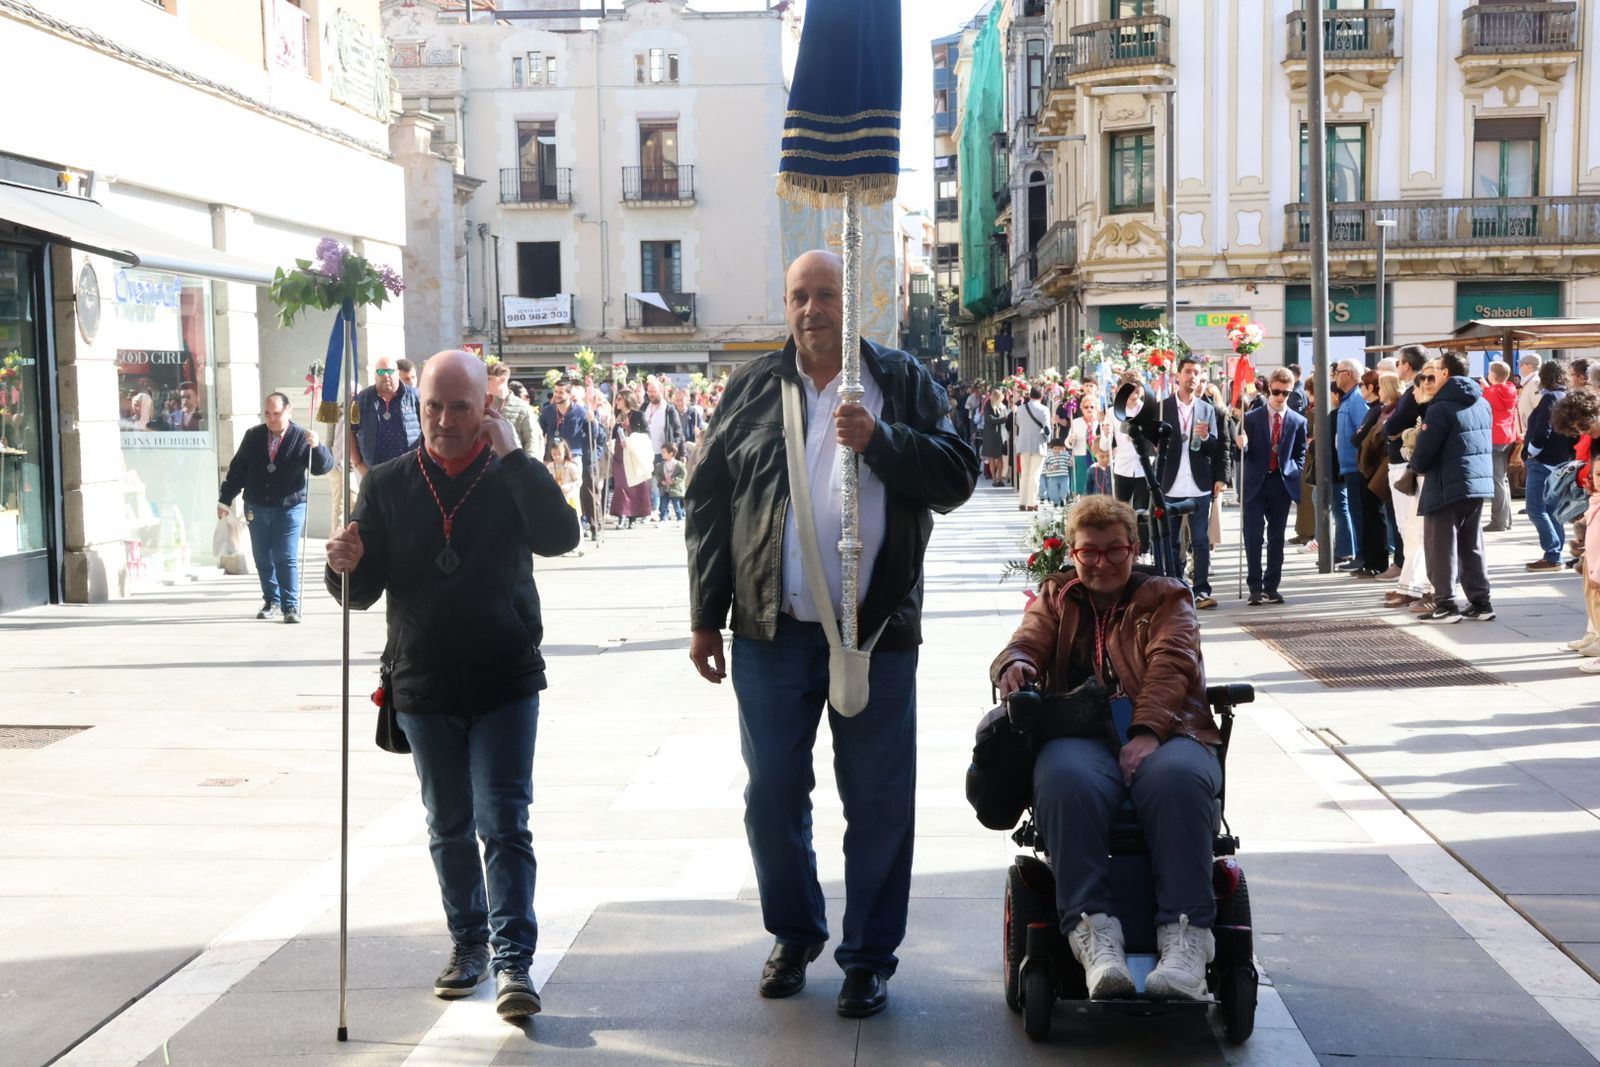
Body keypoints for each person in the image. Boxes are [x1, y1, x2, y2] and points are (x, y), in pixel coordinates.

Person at [685, 249, 977, 1019]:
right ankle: (794, 932)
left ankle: (868, 958)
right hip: (771, 629)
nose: (812, 309)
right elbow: (708, 499)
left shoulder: (902, 381)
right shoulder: (753, 386)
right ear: (786, 305)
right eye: (799, 296)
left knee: (879, 798)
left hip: (876, 631)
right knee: (771, 794)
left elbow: (958, 475)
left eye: (825, 295)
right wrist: (704, 612)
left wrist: (882, 440)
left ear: (853, 305)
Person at [324, 350, 579, 1020]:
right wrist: (343, 564)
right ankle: (469, 941)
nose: (443, 420)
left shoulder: (509, 474)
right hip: (424, 681)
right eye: (432, 407)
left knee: (505, 821)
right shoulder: (387, 483)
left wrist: (517, 456)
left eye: (459, 407)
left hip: (504, 677)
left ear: (485, 408)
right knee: (448, 825)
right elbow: (360, 590)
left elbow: (560, 536)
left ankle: (514, 958)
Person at [992, 495, 1222, 1002]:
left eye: (1114, 550)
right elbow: (1027, 639)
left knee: (1176, 780)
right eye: (1088, 552)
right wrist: (1015, 662)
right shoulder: (1058, 596)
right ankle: (1094, 936)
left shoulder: (1167, 597)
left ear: (1134, 549)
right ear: (1072, 553)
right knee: (1065, 779)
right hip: (1081, 734)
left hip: (1170, 730)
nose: (1101, 563)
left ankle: (1186, 939)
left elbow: (1172, 663)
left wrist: (1147, 733)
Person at [218, 391, 334, 623]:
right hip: (257, 505)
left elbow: (323, 467)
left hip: (290, 505)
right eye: (267, 413)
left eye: (276, 413)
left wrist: (317, 447)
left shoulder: (301, 436)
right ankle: (272, 600)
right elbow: (238, 469)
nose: (271, 418)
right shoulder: (253, 435)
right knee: (262, 556)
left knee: (285, 555)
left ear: (288, 411)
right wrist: (225, 499)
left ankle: (290, 605)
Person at [1408, 352, 1495, 623]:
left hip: (1446, 483)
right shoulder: (1482, 402)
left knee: (1440, 546)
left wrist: (1416, 464)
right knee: (1472, 543)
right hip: (1477, 482)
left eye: (1436, 370)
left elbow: (1424, 453)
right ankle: (1481, 602)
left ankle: (1445, 604)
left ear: (1445, 373)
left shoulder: (1440, 407)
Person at [1147, 358, 1229, 607]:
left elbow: (1215, 446)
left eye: (1196, 373)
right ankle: (1175, 587)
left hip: (1198, 483)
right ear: (1178, 376)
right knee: (1171, 540)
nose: (1192, 377)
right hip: (1170, 483)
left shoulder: (1207, 409)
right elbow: (1150, 443)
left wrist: (1205, 438)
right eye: (1188, 372)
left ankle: (1201, 588)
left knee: (1201, 540)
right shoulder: (1162, 407)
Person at [1236, 367, 1307, 605]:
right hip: (1255, 482)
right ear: (1269, 389)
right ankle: (1254, 587)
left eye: (1286, 393)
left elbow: (1301, 451)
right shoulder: (1251, 418)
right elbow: (1240, 455)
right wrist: (1242, 445)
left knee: (1277, 537)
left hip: (1280, 482)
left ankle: (1271, 586)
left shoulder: (1298, 421)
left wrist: (1294, 469)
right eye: (1276, 391)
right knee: (1253, 536)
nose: (1280, 397)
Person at [1553, 390, 1600, 666]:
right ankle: (1593, 632)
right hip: (1593, 507)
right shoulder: (1591, 439)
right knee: (1589, 576)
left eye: (1583, 424)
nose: (1582, 431)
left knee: (1597, 579)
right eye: (1576, 429)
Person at [1384, 347, 1433, 610]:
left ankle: (1421, 587)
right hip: (1409, 464)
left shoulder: (1420, 393)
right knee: (1410, 530)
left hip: (1412, 466)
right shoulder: (1414, 393)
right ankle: (1410, 584)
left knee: (1414, 530)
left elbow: (1395, 426)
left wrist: (1394, 431)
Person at [1523, 359, 1575, 572]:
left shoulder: (1550, 397)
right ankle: (1555, 555)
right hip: (1559, 461)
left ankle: (1553, 554)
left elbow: (1542, 430)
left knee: (1535, 509)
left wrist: (1530, 452)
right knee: (1552, 511)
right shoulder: (1566, 397)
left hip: (1542, 461)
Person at [540, 378, 600, 538]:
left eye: (561, 392)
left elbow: (593, 436)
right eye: (556, 392)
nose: (557, 395)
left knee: (574, 492)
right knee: (553, 492)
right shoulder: (547, 411)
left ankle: (582, 528)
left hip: (573, 457)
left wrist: (592, 421)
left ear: (569, 393)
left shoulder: (580, 411)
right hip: (553, 457)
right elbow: (540, 433)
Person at [1348, 370, 1391, 579]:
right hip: (1368, 468)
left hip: (1373, 469)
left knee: (1374, 516)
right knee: (1368, 515)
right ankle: (1370, 560)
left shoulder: (1377, 410)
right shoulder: (1373, 409)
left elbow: (1358, 437)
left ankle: (1378, 562)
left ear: (1371, 387)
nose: (1360, 390)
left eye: (1363, 386)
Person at [352, 356, 422, 477]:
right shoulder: (362, 399)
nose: (385, 375)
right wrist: (359, 464)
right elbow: (350, 431)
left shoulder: (415, 397)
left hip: (410, 471)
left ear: (397, 373)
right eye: (381, 371)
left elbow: (429, 429)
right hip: (376, 473)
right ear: (375, 375)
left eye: (390, 371)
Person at [1332, 358, 1369, 570]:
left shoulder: (1356, 398)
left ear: (1350, 374)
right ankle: (1360, 555)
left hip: (1357, 467)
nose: (1335, 375)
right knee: (1355, 512)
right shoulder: (1348, 398)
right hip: (1349, 465)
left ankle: (1362, 557)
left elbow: (1364, 432)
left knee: (1359, 513)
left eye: (1339, 371)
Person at [1483, 360, 1519, 532]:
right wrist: (1488, 387)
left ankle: (1498, 521)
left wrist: (1486, 388)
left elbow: (1487, 401)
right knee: (1502, 479)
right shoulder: (1511, 389)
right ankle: (1506, 520)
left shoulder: (1490, 392)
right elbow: (1497, 393)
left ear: (1492, 375)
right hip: (1508, 436)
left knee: (1497, 480)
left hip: (1494, 437)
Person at [609, 393, 652, 528]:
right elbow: (611, 436)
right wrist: (610, 426)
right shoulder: (616, 416)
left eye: (619, 399)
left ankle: (632, 518)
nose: (616, 401)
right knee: (620, 486)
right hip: (619, 456)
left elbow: (646, 433)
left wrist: (631, 439)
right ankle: (621, 516)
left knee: (635, 486)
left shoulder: (638, 415)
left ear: (627, 400)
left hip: (633, 455)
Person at [486, 360, 543, 460]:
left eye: (489, 379)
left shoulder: (522, 407)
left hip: (512, 464)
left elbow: (532, 441)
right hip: (487, 465)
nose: (485, 382)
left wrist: (528, 466)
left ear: (502, 379)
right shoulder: (484, 404)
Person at [1014, 386, 1051, 511]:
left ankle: (1022, 502)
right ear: (1042, 396)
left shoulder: (1020, 409)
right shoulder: (1044, 409)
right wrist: (1048, 439)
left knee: (1024, 473)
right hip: (1038, 443)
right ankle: (1031, 503)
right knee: (1035, 475)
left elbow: (1018, 423)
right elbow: (1047, 428)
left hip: (1023, 443)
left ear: (1030, 395)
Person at [981, 388, 1010, 486]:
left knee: (1000, 457)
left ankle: (1000, 479)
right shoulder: (988, 405)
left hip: (999, 435)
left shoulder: (1001, 405)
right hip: (990, 435)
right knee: (992, 458)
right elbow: (990, 420)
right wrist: (1004, 419)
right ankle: (994, 479)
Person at [546, 439, 582, 512]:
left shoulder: (571, 466)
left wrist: (568, 487)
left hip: (569, 499)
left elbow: (579, 481)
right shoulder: (549, 467)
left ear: (565, 453)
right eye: (554, 454)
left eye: (559, 454)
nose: (557, 457)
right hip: (555, 499)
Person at [1040, 437, 1074, 506]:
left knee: (1064, 490)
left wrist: (1071, 460)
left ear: (1061, 448)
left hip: (1064, 476)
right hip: (1052, 477)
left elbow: (1070, 464)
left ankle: (1062, 499)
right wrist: (1051, 467)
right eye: (1055, 449)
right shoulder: (1049, 456)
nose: (1057, 450)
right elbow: (1045, 466)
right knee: (1053, 491)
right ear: (1052, 449)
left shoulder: (1065, 454)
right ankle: (1056, 502)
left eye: (1059, 448)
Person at [658, 442, 687, 521]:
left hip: (675, 489)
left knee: (676, 505)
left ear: (671, 453)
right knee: (663, 505)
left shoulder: (679, 464)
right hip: (665, 489)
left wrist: (674, 480)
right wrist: (661, 481)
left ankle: (680, 518)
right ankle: (663, 519)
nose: (662, 453)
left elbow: (683, 474)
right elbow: (658, 475)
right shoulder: (661, 465)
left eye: (664, 452)